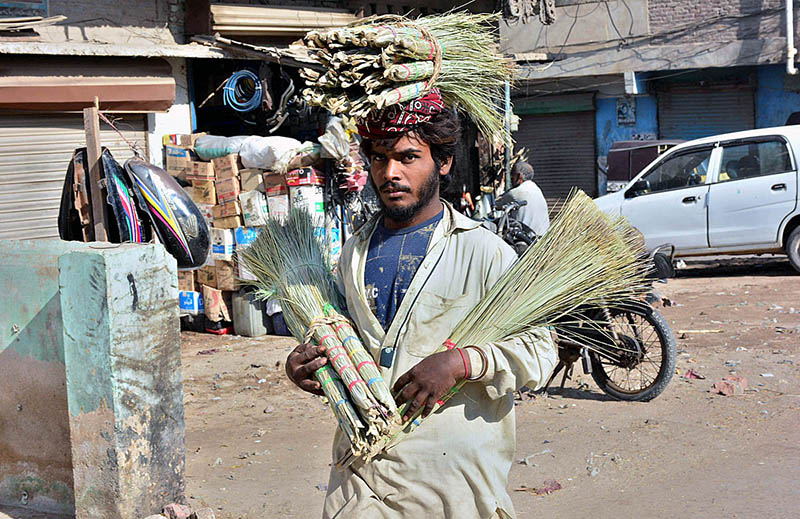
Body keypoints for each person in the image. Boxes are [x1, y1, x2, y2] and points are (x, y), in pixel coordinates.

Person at [284, 88, 557, 519]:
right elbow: (341, 340)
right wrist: (303, 363)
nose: (390, 172)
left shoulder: (483, 252)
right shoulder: (351, 254)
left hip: (451, 489)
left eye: (408, 157)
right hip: (362, 481)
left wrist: (461, 363)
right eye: (378, 158)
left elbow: (541, 351)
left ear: (443, 162)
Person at [495, 161, 550, 237]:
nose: (511, 178)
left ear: (519, 176)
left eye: (512, 175)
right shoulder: (536, 188)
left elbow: (496, 204)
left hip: (527, 238)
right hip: (543, 236)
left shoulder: (516, 192)